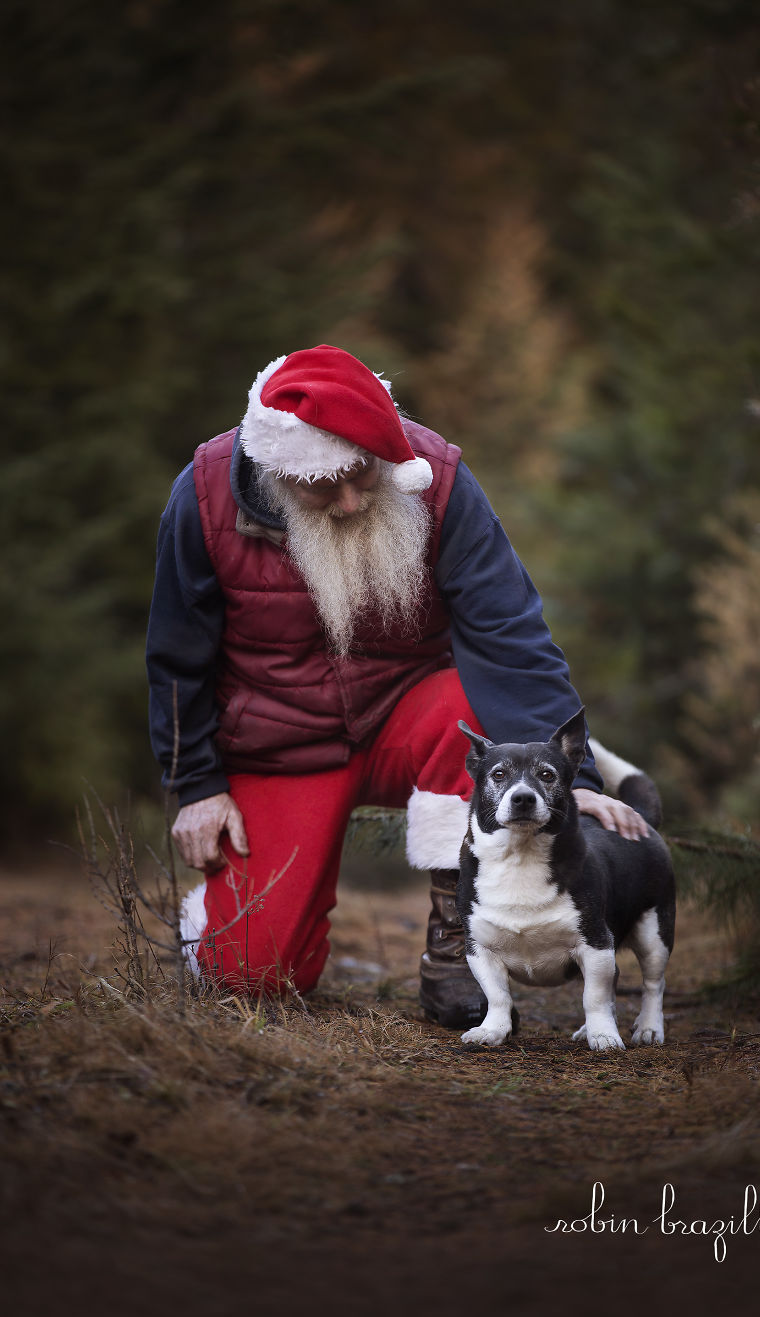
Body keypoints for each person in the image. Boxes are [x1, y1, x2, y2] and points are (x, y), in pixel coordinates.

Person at [146, 344, 648, 1027]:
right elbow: (177, 656)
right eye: (326, 485)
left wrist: (579, 778)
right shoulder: (202, 497)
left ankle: (461, 945)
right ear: (276, 469)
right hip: (278, 744)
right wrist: (197, 784)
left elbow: (510, 634)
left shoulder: (436, 480)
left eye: (364, 474)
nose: (352, 502)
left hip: (409, 718)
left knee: (477, 711)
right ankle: (226, 920)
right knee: (250, 977)